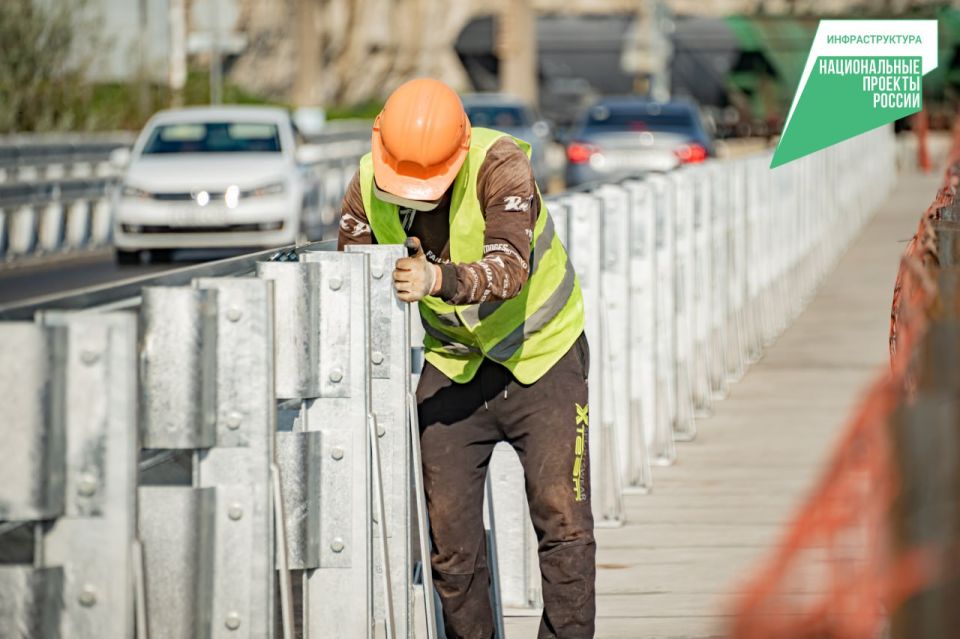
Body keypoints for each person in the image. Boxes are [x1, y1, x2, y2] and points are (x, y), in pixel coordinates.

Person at [338, 78, 595, 639]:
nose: (413, 194)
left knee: (563, 523)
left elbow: (509, 268)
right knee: (448, 542)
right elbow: (347, 287)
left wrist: (435, 277)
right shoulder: (365, 184)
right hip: (454, 363)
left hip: (542, 356)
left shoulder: (500, 164)